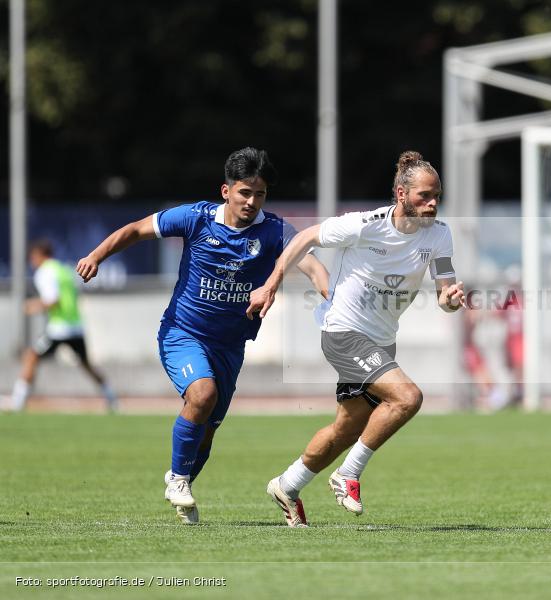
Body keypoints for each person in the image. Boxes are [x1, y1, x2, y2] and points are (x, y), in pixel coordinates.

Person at [75, 147, 329, 525]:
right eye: (245, 192)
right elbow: (136, 230)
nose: (252, 201)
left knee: (206, 434)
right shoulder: (195, 218)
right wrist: (96, 256)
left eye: (260, 194)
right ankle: (178, 479)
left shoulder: (275, 231)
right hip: (183, 332)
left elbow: (312, 265)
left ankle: (181, 481)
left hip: (230, 346)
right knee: (202, 394)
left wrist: (331, 299)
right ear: (226, 191)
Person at [246, 150, 466, 528]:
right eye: (424, 196)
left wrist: (450, 300)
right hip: (344, 333)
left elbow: (445, 289)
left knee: (346, 429)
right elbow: (306, 238)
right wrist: (271, 284)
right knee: (408, 397)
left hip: (381, 342)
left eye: (436, 197)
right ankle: (348, 474)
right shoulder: (365, 225)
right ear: (401, 194)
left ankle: (287, 484)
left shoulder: (440, 234)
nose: (432, 204)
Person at [9, 240, 117, 413]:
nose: (32, 262)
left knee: (31, 357)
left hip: (59, 329)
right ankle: (111, 396)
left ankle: (18, 402)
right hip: (76, 327)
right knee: (87, 365)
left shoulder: (45, 272)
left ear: (39, 255)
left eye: (32, 257)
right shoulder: (64, 270)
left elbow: (53, 299)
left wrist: (32, 306)